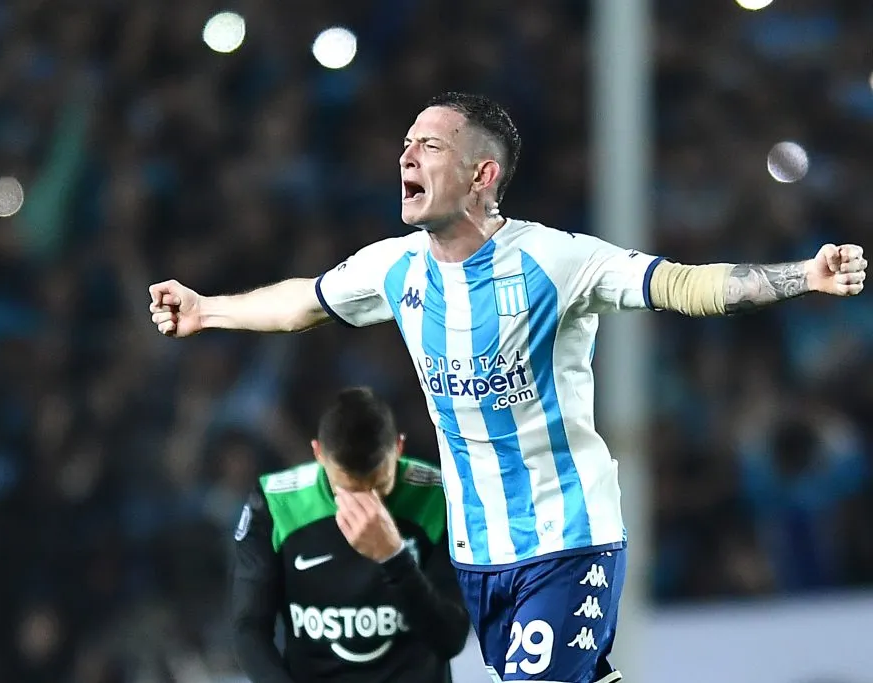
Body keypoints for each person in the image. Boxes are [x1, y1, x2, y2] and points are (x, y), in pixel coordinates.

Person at [150, 92, 867, 682]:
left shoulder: (556, 260)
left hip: (568, 535)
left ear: (482, 175)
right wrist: (207, 309)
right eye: (405, 142)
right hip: (480, 553)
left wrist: (803, 275)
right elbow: (304, 300)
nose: (406, 154)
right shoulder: (394, 269)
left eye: (429, 145)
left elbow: (678, 284)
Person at [230, 386, 470, 683]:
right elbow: (249, 629)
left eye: (379, 487)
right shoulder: (275, 504)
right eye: (346, 489)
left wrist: (394, 557)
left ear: (398, 448)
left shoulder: (439, 498)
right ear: (319, 453)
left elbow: (451, 638)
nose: (366, 506)